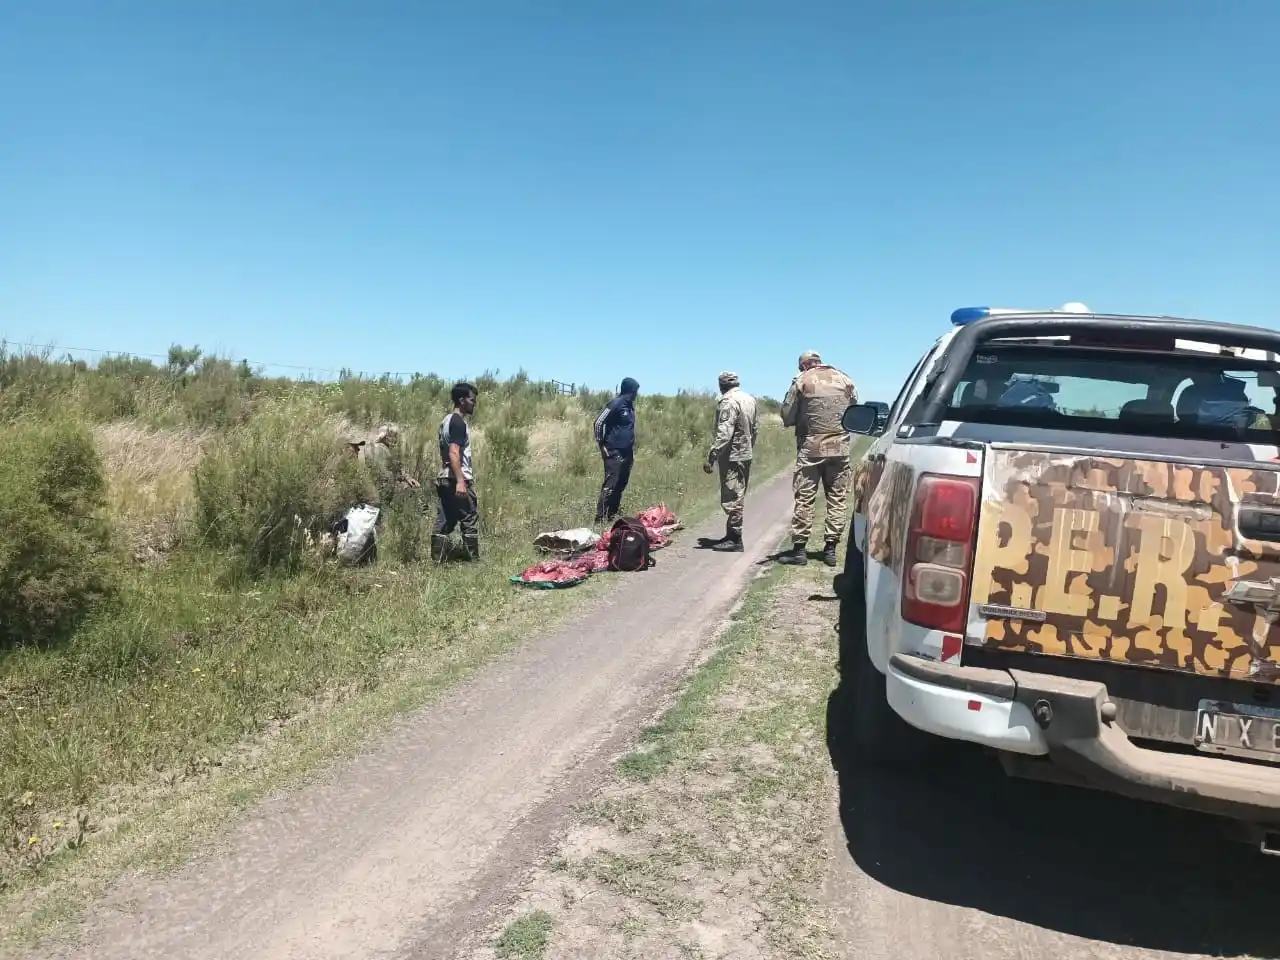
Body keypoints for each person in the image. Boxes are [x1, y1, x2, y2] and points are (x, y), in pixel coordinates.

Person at [778, 350, 857, 567]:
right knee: (837, 498)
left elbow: (787, 415)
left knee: (805, 498)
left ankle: (800, 550)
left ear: (804, 366)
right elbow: (854, 410)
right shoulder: (845, 379)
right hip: (839, 448)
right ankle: (830, 549)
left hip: (810, 449)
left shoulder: (802, 381)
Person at [702, 372, 758, 553]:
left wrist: (712, 455)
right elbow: (755, 428)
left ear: (721, 385)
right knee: (738, 494)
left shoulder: (728, 401)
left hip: (732, 455)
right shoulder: (749, 399)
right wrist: (749, 446)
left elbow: (725, 432)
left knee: (733, 496)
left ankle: (735, 539)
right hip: (745, 453)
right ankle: (731, 535)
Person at [431, 382, 480, 562]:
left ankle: (438, 561)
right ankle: (473, 561)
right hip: (456, 478)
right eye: (471, 400)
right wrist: (460, 481)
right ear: (462, 400)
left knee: (446, 519)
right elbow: (453, 452)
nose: (474, 404)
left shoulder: (446, 420)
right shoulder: (458, 422)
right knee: (469, 517)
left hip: (445, 477)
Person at [594, 377, 640, 524]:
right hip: (614, 451)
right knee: (610, 485)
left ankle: (612, 514)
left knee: (621, 484)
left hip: (627, 452)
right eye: (635, 391)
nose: (636, 394)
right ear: (629, 391)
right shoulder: (616, 403)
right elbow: (599, 422)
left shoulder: (630, 406)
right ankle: (600, 519)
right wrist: (602, 445)